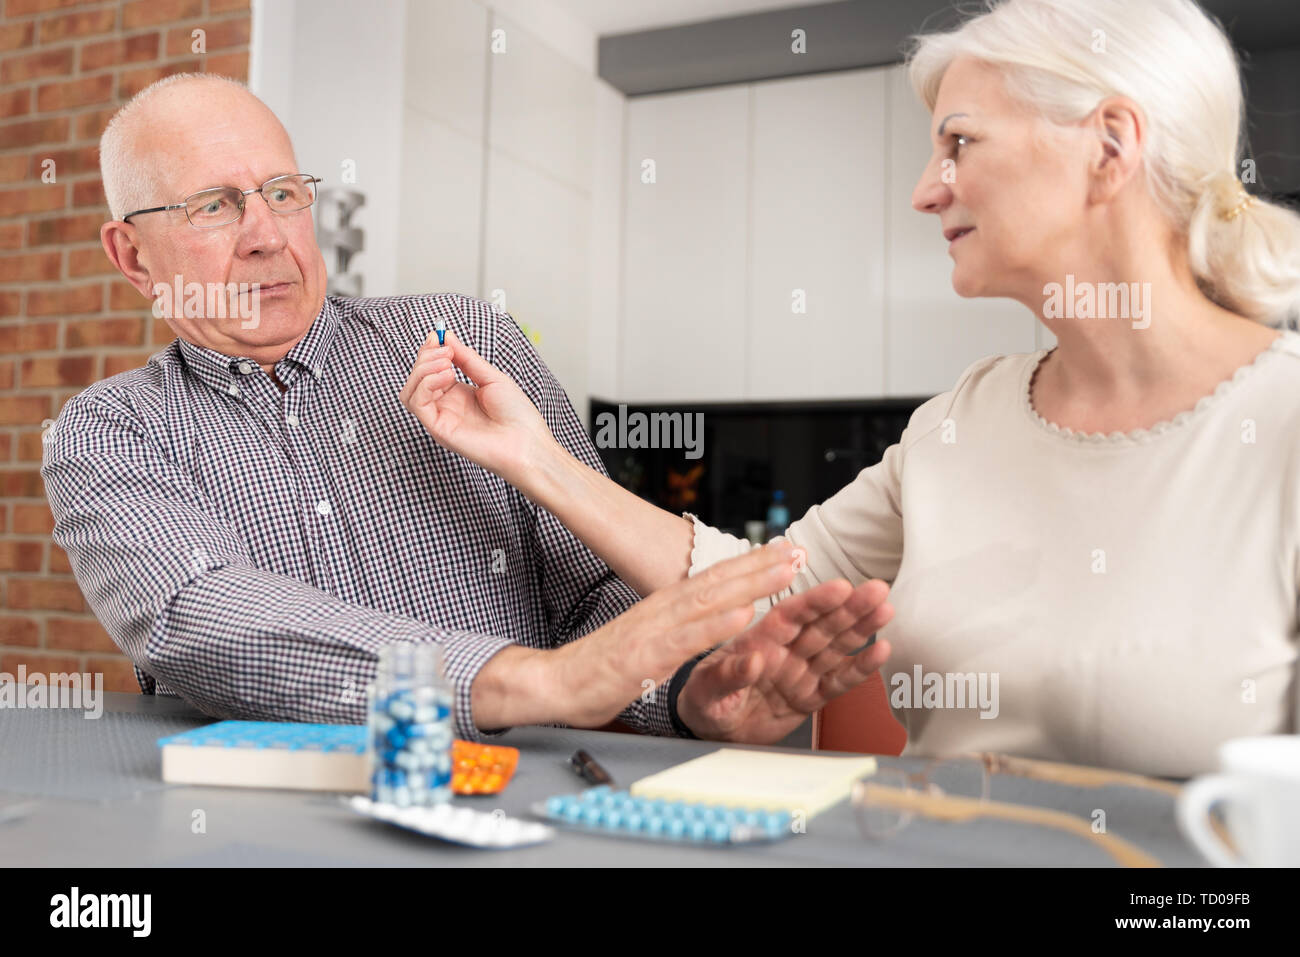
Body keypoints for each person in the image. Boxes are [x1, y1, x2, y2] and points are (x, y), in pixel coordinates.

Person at [400, 0, 1300, 776]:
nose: (923, 191)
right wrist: (533, 456)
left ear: (1110, 145)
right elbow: (759, 588)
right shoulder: (965, 421)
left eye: (959, 144)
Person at [40, 73, 894, 743]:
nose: (266, 233)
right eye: (214, 206)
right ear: (133, 256)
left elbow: (590, 591)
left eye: (284, 192)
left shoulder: (458, 343)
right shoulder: (107, 433)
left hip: (524, 812)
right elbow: (206, 621)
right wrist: (534, 681)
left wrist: (684, 693)